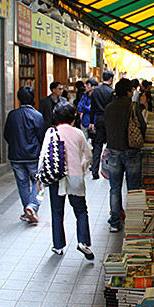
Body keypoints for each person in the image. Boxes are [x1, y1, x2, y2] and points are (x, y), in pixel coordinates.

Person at [40, 101, 94, 259]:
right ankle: (83, 241)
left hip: (56, 177)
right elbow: (88, 155)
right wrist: (83, 167)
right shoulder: (78, 133)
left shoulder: (51, 132)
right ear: (73, 117)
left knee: (57, 212)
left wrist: (39, 180)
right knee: (81, 210)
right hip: (75, 177)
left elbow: (43, 156)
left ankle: (58, 246)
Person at [104, 78, 146, 232]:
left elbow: (105, 126)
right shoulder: (132, 107)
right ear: (128, 92)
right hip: (131, 150)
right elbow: (142, 125)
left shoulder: (109, 107)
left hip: (114, 150)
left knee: (114, 188)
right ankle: (133, 221)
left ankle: (115, 222)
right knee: (133, 187)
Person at [4, 86, 45, 223]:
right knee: (38, 182)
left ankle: (27, 211)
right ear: (33, 99)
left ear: (18, 98)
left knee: (22, 184)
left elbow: (6, 135)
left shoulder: (12, 115)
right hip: (33, 155)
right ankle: (33, 206)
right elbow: (41, 136)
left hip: (16, 156)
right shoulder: (37, 116)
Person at [89, 70, 114, 179]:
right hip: (109, 120)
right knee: (110, 145)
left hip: (98, 119)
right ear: (111, 79)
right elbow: (113, 109)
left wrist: (91, 121)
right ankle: (109, 170)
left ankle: (95, 170)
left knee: (97, 145)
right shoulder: (111, 92)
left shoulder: (96, 91)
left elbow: (92, 108)